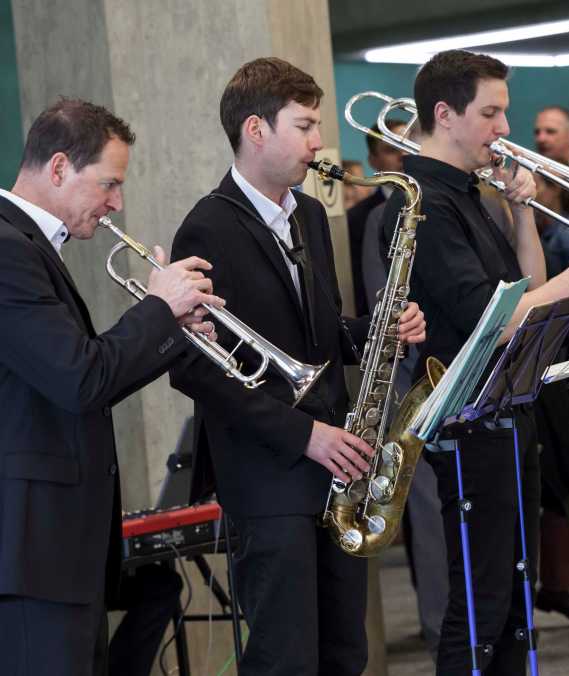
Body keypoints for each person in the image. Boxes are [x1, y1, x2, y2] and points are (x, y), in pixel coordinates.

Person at [169, 57, 426, 675]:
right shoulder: (206, 227)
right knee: (286, 658)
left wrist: (376, 330)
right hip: (270, 478)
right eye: (305, 125)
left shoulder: (308, 214)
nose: (318, 141)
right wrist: (306, 435)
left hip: (336, 471)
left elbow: (317, 331)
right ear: (256, 130)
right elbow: (195, 370)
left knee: (345, 651)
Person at [379, 49, 569, 674]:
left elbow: (526, 289)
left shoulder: (469, 193)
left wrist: (522, 214)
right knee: (481, 601)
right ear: (445, 113)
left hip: (505, 409)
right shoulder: (422, 205)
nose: (504, 129)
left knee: (515, 599)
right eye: (491, 113)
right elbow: (495, 318)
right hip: (465, 424)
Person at [0, 98, 222, 675]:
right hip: (34, 553)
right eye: (109, 183)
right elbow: (80, 379)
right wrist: (156, 308)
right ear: (57, 168)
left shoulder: (28, 246)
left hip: (56, 553)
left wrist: (169, 324)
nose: (117, 202)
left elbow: (85, 373)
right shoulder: (5, 248)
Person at [346, 120, 405, 316]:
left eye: (407, 146)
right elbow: (363, 291)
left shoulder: (439, 202)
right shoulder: (357, 219)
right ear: (373, 161)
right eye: (391, 150)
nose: (403, 155)